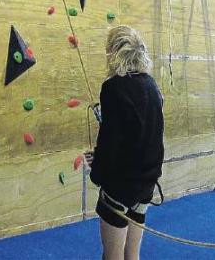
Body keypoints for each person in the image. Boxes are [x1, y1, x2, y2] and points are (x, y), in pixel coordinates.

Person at [85, 26, 164, 260]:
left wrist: (97, 171)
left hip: (120, 186)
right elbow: (145, 137)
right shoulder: (152, 86)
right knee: (132, 256)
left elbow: (111, 142)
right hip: (146, 185)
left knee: (113, 257)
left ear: (114, 52)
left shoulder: (113, 88)